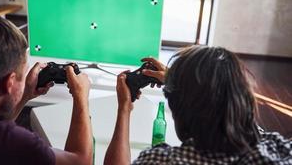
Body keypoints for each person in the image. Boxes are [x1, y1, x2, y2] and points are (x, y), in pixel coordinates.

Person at [104, 45, 292, 164]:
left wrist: (124, 108)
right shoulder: (278, 148)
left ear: (179, 114)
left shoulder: (161, 160)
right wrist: (182, 82)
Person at [0, 16, 93, 165]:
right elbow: (79, 161)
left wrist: (25, 93)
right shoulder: (17, 142)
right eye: (22, 74)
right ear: (10, 82)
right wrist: (81, 97)